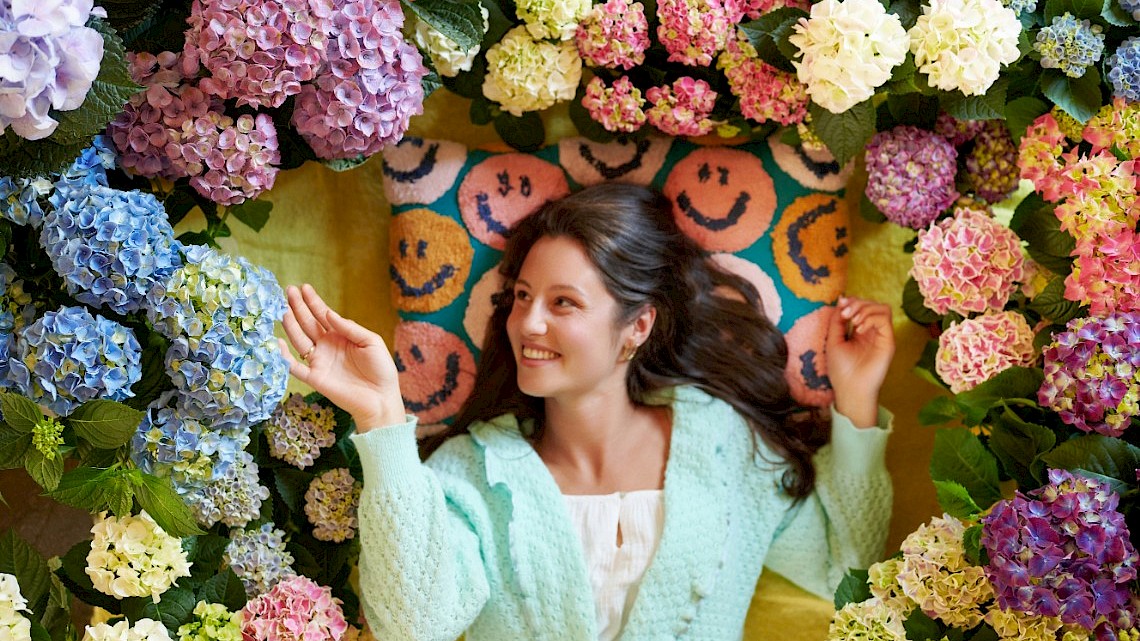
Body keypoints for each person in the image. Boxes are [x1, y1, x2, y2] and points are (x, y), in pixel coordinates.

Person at [280, 183, 896, 641]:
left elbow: (843, 567)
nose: (527, 323)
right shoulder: (474, 474)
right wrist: (383, 421)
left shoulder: (723, 444)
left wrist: (856, 398)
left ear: (638, 326)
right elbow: (413, 626)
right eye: (522, 297)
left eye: (563, 303)